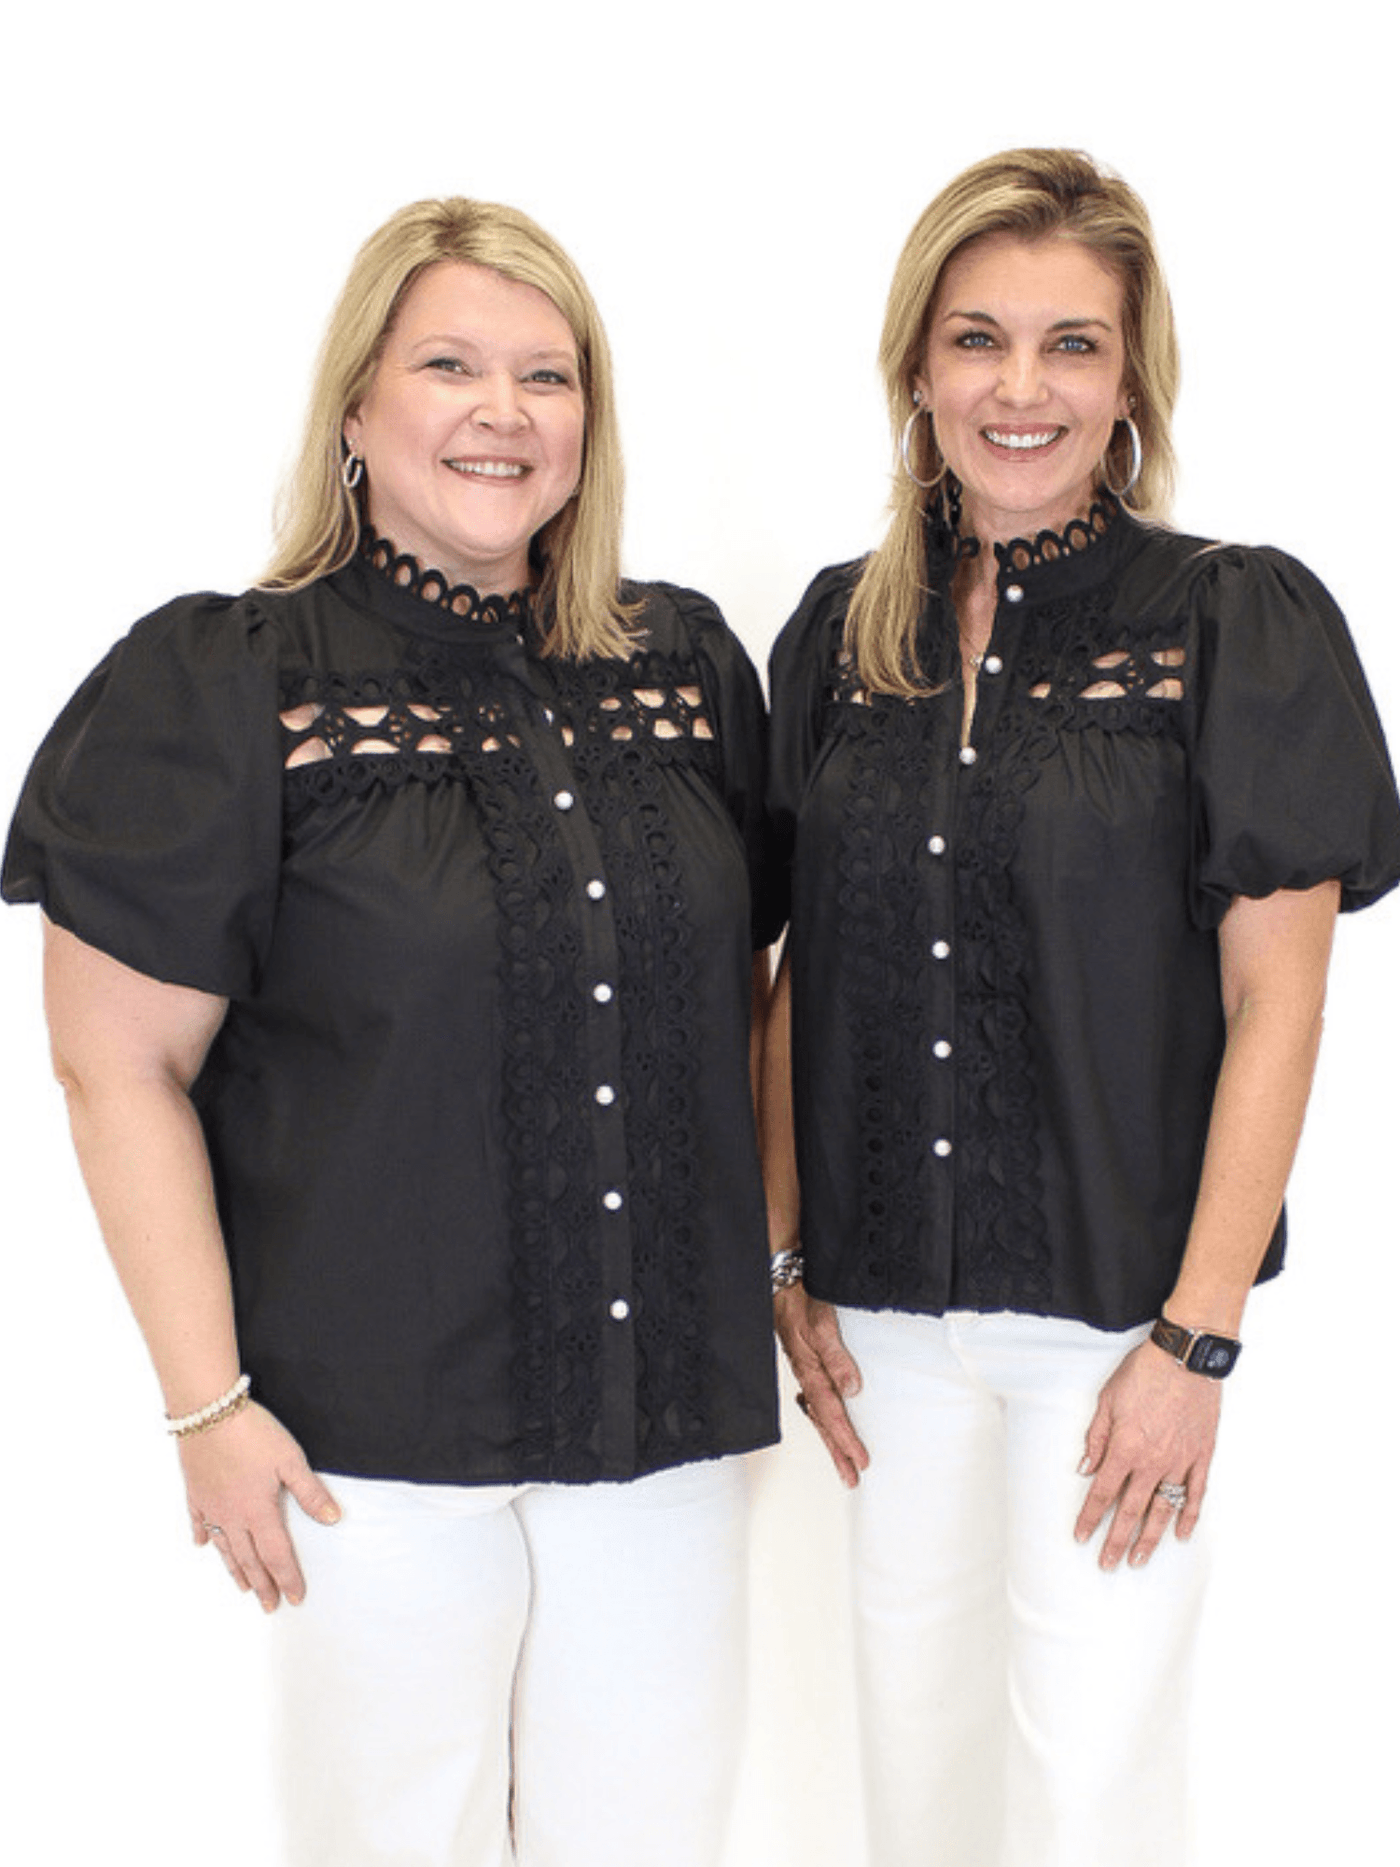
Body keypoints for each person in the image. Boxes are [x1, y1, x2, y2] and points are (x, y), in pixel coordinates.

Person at [3, 196, 782, 1867]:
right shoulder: (228, 682)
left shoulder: (688, 666)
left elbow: (754, 996)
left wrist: (776, 1259)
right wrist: (206, 1408)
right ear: (356, 405)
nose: (505, 412)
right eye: (449, 366)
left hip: (662, 1428)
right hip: (364, 1446)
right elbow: (113, 1062)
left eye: (547, 375)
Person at [762, 147, 1400, 1867]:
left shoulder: (1231, 622)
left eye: (1072, 344)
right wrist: (783, 1252)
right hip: (884, 1323)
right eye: (978, 339)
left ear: (1130, 381)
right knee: (917, 1782)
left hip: (1120, 1329)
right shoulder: (840, 637)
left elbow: (1280, 1002)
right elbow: (793, 967)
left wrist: (1197, 1340)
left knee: (1092, 1795)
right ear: (918, 368)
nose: (1020, 387)